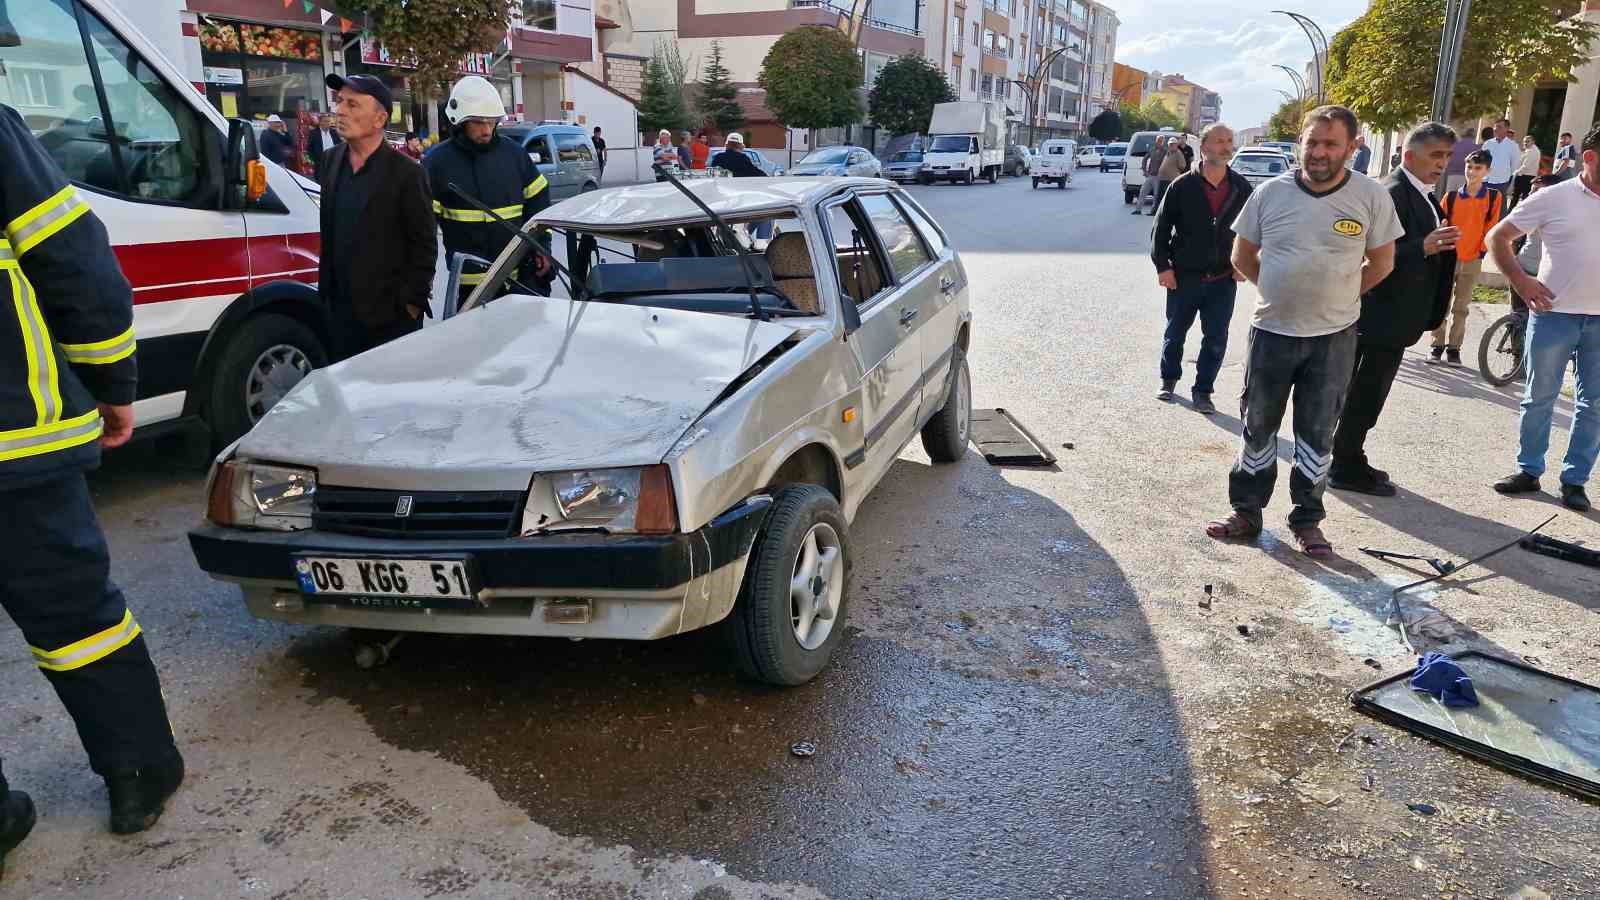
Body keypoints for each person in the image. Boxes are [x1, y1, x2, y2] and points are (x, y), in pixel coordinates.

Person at [0, 104, 186, 880]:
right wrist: (113, 381)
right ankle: (137, 773)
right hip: (14, 440)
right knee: (78, 617)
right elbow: (72, 257)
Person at [1206, 105, 1402, 557]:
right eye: (1312, 142)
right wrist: (1279, 291)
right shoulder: (1269, 194)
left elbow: (1384, 263)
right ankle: (1247, 511)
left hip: (1334, 338)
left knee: (1317, 432)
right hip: (1272, 332)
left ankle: (1307, 520)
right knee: (1258, 425)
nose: (1318, 152)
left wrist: (1340, 299)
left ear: (1352, 147)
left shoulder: (1371, 197)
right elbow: (1243, 256)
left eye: (1330, 143)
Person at [1330, 123, 1461, 496]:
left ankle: (1350, 455)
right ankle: (1343, 463)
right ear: (1409, 156)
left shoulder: (1422, 194)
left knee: (1370, 392)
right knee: (1363, 392)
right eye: (1435, 155)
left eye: (1447, 157)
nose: (1442, 164)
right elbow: (1369, 253)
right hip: (1379, 316)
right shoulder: (1391, 192)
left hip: (1398, 318)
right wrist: (1424, 246)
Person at [1486, 123, 1600, 512]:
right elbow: (1497, 237)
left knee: (1594, 405)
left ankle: (1575, 481)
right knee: (1539, 398)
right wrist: (1520, 280)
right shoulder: (1554, 197)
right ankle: (1529, 470)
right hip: (1554, 315)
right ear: (1589, 158)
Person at [318, 74, 437, 360]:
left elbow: (424, 246)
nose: (340, 111)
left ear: (380, 119)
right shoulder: (331, 160)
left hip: (390, 320)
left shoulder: (408, 173)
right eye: (340, 102)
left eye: (353, 105)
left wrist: (411, 305)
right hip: (340, 316)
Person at [424, 75, 553, 309]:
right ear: (459, 121)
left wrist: (542, 246)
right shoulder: (437, 164)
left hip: (518, 282)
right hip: (467, 289)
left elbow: (539, 204)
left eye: (491, 121)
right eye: (478, 122)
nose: (486, 130)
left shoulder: (515, 156)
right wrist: (423, 274)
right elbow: (423, 227)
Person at [1150, 124, 1252, 415]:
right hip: (1184, 277)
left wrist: (1243, 265)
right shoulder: (1182, 186)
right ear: (1204, 147)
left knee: (1216, 338)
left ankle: (1203, 391)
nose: (1226, 146)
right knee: (1175, 332)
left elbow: (1254, 231)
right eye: (1219, 141)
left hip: (1222, 279)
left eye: (1230, 141)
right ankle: (1168, 379)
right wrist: (1163, 267)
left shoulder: (1241, 188)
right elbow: (1161, 229)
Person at [1428, 149, 1503, 365]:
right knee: (1441, 302)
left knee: (1461, 307)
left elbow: (1491, 227)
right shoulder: (1451, 197)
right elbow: (1440, 225)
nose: (1472, 172)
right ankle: (1436, 345)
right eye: (1469, 167)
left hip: (1472, 259)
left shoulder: (1493, 198)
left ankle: (1454, 349)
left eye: (1478, 168)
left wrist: (1480, 251)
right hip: (1448, 258)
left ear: (1487, 172)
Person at [1482, 119, 1518, 197]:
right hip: (1486, 181)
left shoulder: (1513, 146)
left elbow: (1515, 165)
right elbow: (1482, 161)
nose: (1495, 129)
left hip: (1501, 183)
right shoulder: (1487, 144)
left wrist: (1506, 176)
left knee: (1498, 206)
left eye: (1499, 127)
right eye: (1495, 127)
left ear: (1507, 129)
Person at [1133, 136, 1168, 215]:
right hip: (1150, 175)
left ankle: (1154, 211)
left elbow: (1167, 163)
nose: (1159, 142)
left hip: (1159, 176)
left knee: (1156, 195)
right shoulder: (1152, 149)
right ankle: (1138, 210)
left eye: (1161, 141)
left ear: (1163, 142)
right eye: (1158, 141)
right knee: (1142, 192)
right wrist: (1144, 170)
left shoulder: (1165, 151)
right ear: (1156, 141)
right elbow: (1145, 159)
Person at [1154, 137, 1185, 215]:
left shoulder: (1178, 153)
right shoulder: (1168, 153)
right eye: (1170, 144)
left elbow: (1182, 165)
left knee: (1168, 197)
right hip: (1162, 178)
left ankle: (1167, 213)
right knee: (1159, 196)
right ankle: (1157, 212)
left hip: (1171, 179)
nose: (1171, 146)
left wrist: (1174, 170)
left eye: (1173, 144)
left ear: (1176, 145)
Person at [1511, 134, 1542, 211]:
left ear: (1533, 142)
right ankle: (1512, 212)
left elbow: (1526, 165)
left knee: (1520, 197)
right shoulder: (1528, 150)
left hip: (1526, 176)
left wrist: (1516, 173)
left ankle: (1512, 213)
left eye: (1528, 141)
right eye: (1524, 142)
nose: (1525, 143)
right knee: (1517, 196)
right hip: (1524, 175)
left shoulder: (1533, 151)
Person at [308, 112, 342, 179]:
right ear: (320, 122)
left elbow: (339, 145)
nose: (328, 123)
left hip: (333, 162)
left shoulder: (334, 132)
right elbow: (309, 148)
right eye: (325, 121)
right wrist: (315, 160)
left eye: (329, 121)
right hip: (321, 163)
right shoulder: (314, 133)